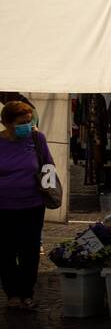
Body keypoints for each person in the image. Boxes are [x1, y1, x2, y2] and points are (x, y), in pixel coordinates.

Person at [0, 100, 50, 311]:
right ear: (7, 123)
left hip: (32, 204)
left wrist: (48, 189)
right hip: (3, 206)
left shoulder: (37, 139)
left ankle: (27, 293)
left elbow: (48, 166)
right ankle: (12, 294)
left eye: (29, 121)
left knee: (29, 251)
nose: (27, 126)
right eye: (22, 122)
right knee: (6, 252)